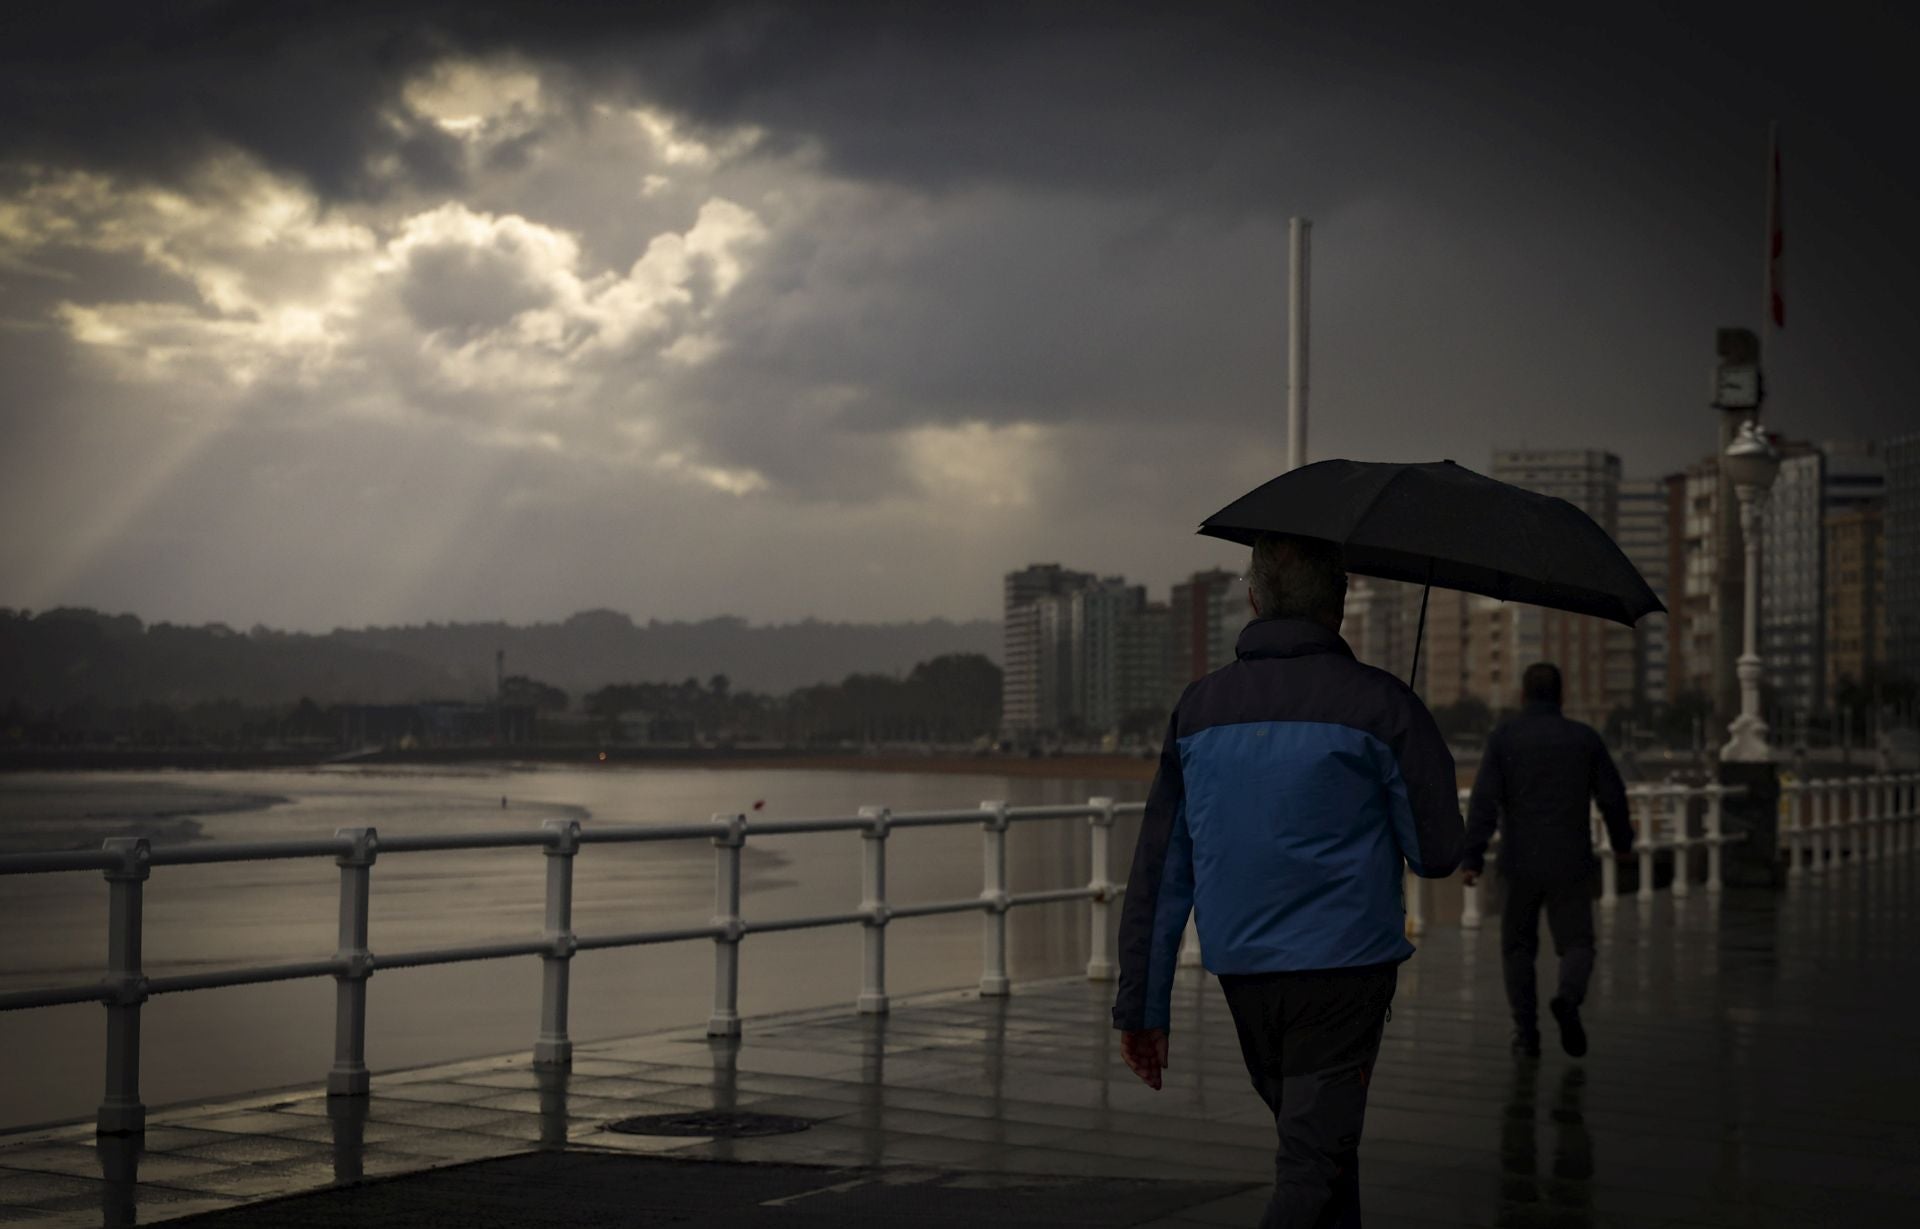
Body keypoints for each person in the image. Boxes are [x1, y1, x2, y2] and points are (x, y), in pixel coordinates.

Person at [1113, 533, 1464, 1229]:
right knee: (1313, 1159)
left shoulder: (1198, 708)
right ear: (1338, 609)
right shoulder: (1383, 706)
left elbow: (1160, 869)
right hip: (1344, 973)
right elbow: (1438, 851)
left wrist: (1143, 1006)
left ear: (1253, 599)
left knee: (1322, 1146)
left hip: (1244, 974)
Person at [1460, 662, 1632, 1060]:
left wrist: (1472, 857)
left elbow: (1484, 801)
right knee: (1577, 943)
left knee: (1518, 949)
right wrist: (1622, 842)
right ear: (1561, 697)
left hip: (1518, 861)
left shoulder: (1504, 738)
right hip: (1571, 861)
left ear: (1522, 696)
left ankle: (1526, 1035)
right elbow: (1613, 796)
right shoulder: (1584, 739)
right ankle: (1568, 997)